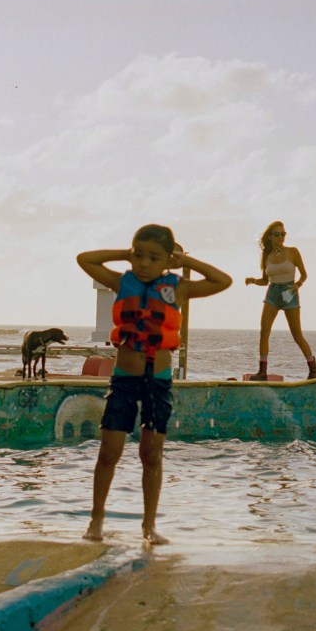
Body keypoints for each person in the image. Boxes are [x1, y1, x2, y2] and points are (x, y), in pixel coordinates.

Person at [75, 227, 231, 546]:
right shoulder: (122, 282)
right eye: (139, 255)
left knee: (152, 455)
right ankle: (97, 519)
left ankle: (149, 525)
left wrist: (185, 261)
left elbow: (222, 280)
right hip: (124, 380)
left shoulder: (179, 288)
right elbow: (85, 259)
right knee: (109, 452)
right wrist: (123, 255)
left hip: (158, 382)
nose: (144, 263)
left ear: (168, 261)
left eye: (153, 257)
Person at [243, 221, 316, 381]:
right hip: (273, 292)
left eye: (283, 234)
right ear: (270, 237)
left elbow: (304, 274)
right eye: (277, 234)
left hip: (289, 292)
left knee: (297, 334)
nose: (281, 237)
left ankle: (314, 370)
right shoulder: (267, 255)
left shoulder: (293, 252)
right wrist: (253, 281)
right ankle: (262, 372)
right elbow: (265, 280)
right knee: (264, 331)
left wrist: (298, 285)